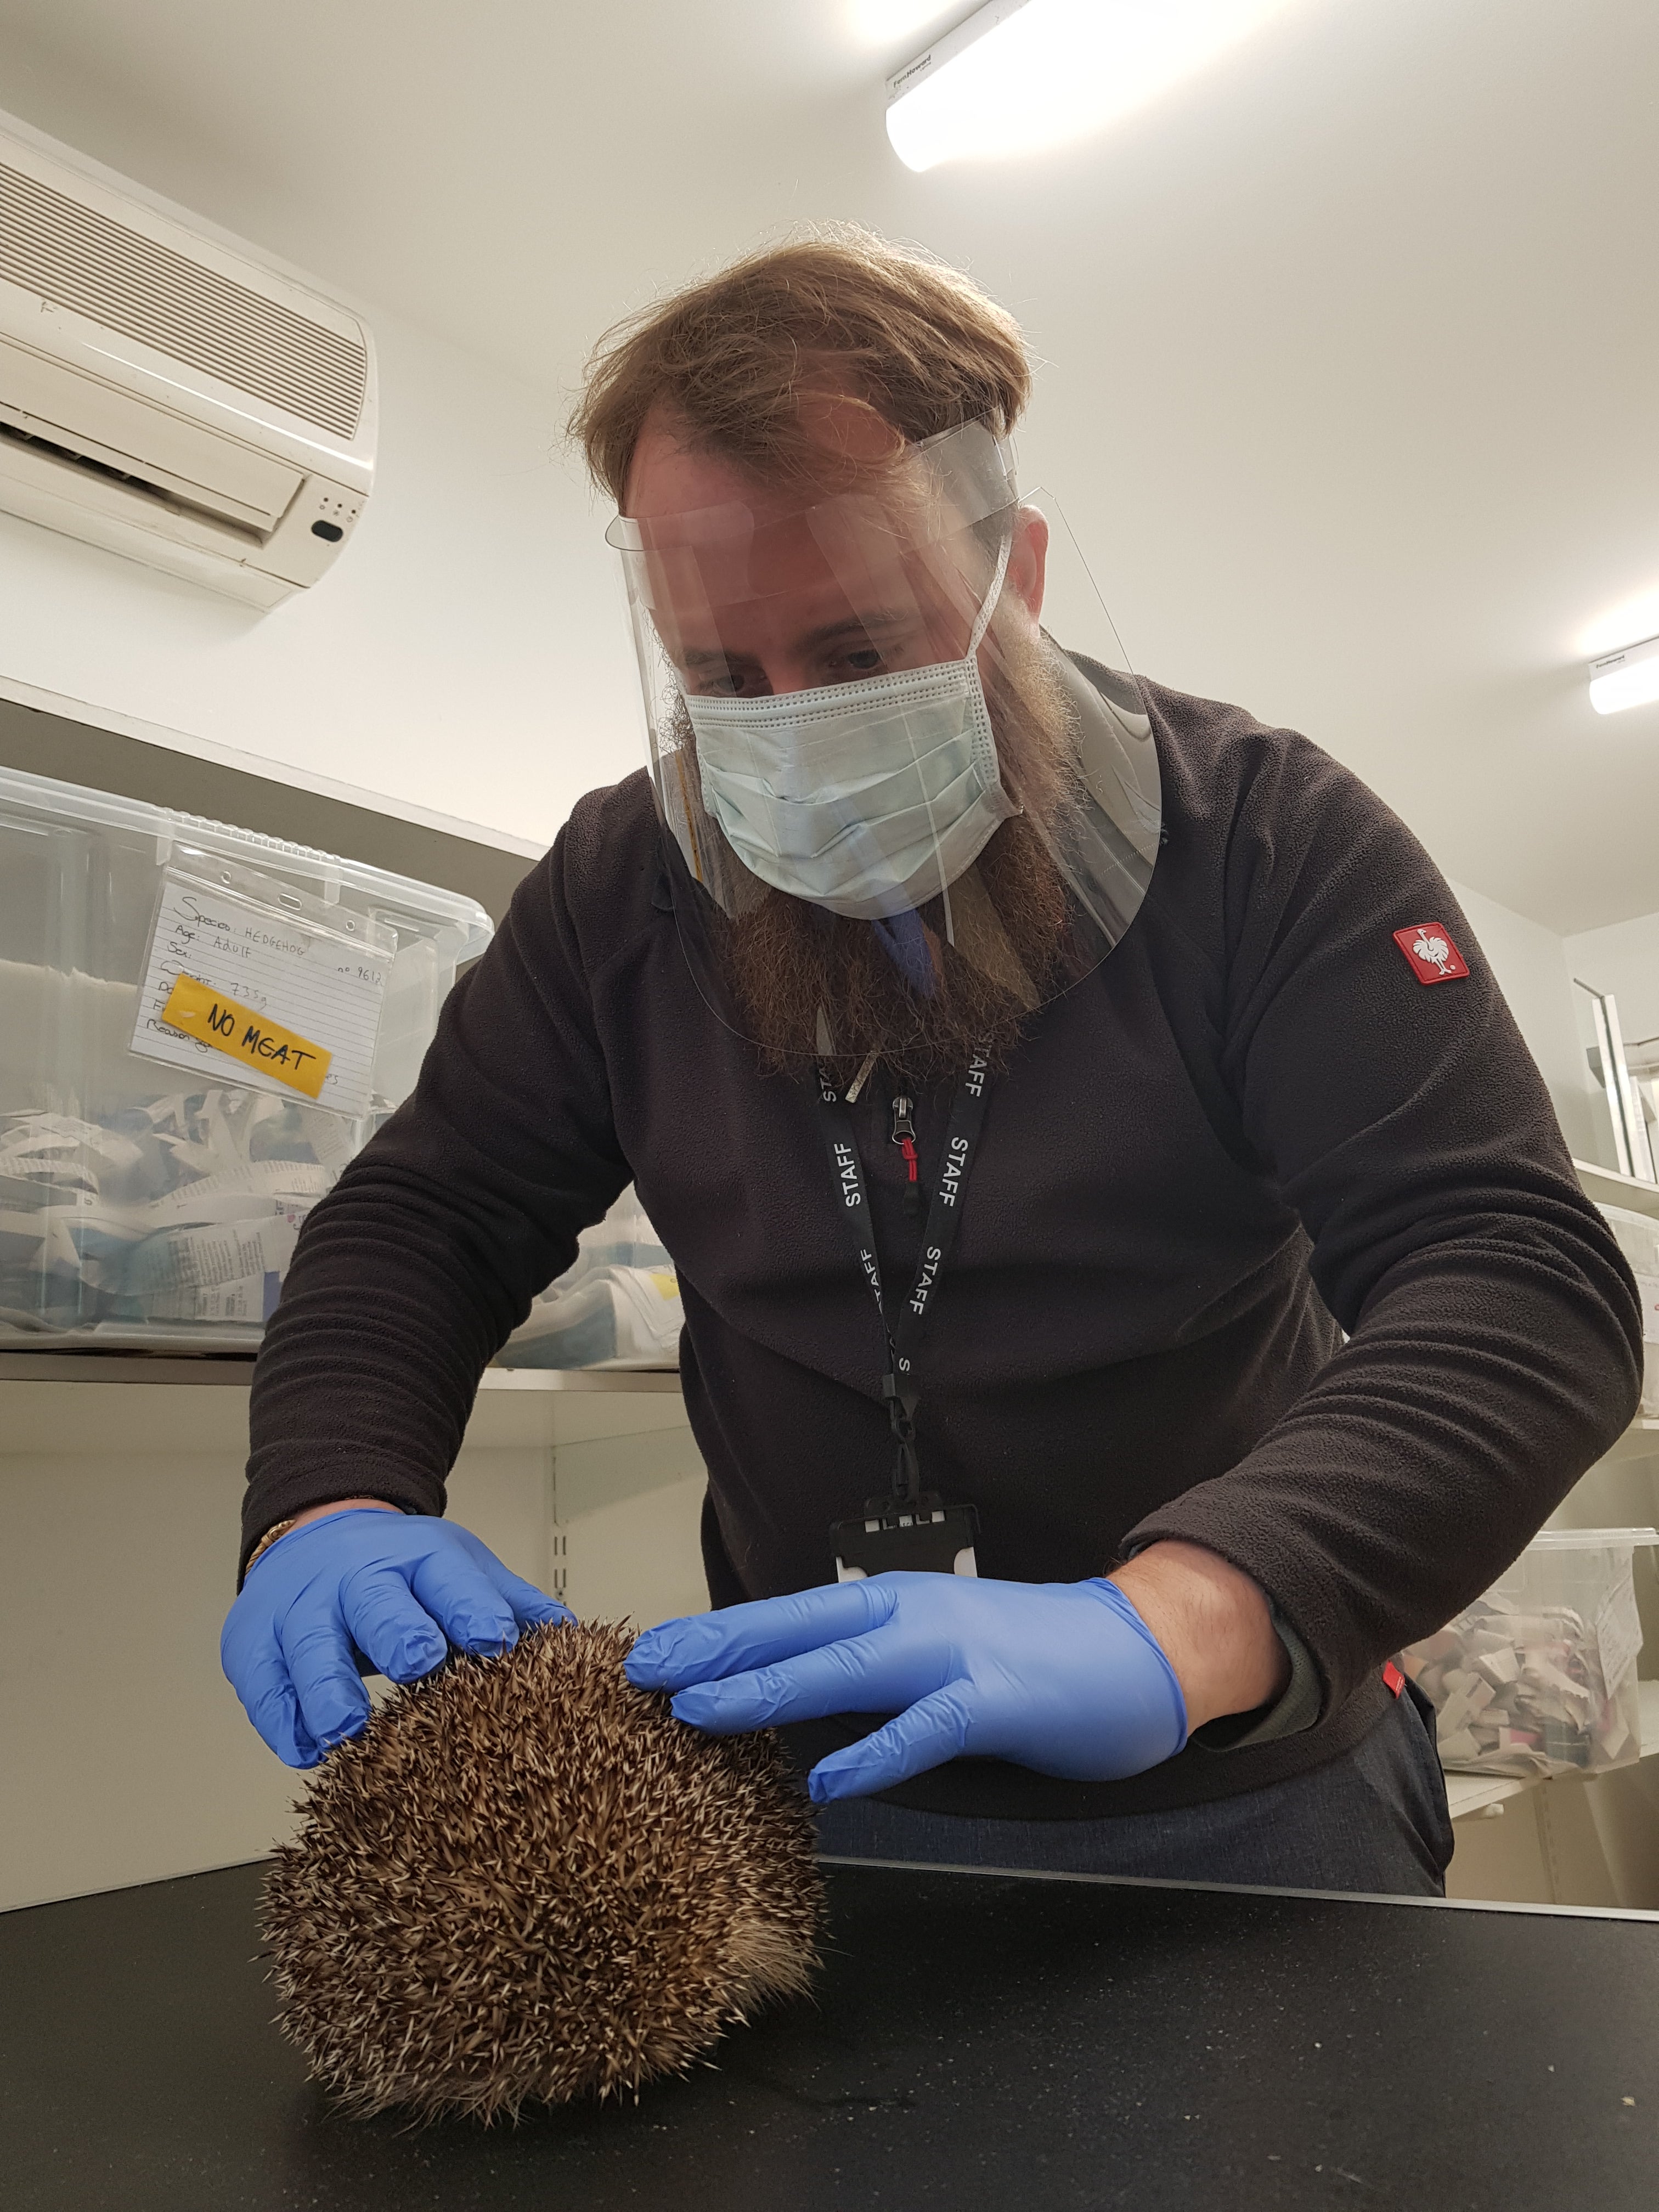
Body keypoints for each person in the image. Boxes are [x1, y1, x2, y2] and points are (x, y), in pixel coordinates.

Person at [221, 233, 1640, 1897]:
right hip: (814, 1776)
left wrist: (1183, 1618)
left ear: (1012, 575)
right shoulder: (623, 885)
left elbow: (1516, 1279)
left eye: (860, 650)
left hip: (1242, 1762)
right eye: (721, 679)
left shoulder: (1267, 836)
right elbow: (428, 1215)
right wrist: (329, 1502)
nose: (792, 726)